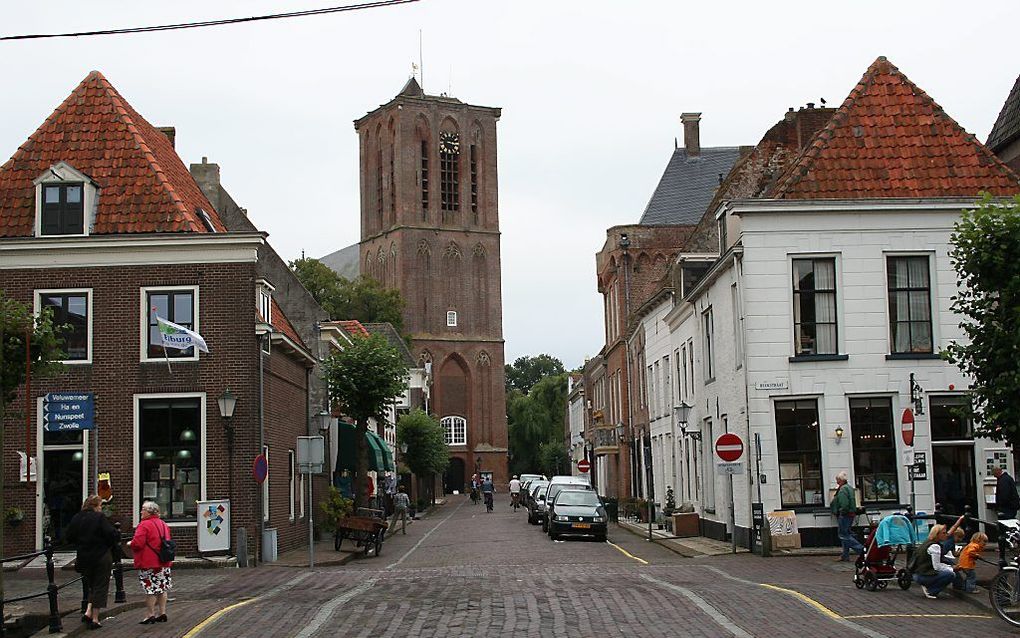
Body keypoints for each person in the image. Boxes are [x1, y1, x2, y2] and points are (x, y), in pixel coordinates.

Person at [65, 495, 119, 630]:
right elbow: (111, 534)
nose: (101, 508)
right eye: (100, 506)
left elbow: (69, 536)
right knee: (100, 585)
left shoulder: (77, 518)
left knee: (91, 585)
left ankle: (88, 611)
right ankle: (95, 618)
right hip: (100, 555)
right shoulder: (99, 517)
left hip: (84, 556)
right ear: (95, 506)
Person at [130, 501, 173, 625]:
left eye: (143, 509)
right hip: (163, 561)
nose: (141, 511)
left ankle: (150, 614)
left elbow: (138, 543)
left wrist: (130, 544)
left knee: (150, 589)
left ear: (149, 512)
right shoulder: (163, 524)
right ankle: (163, 612)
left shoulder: (144, 525)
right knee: (162, 587)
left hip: (149, 562)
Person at [911, 524, 956, 598]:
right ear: (937, 534)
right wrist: (951, 568)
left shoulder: (927, 542)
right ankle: (931, 591)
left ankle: (929, 585)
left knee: (947, 570)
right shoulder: (935, 546)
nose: (946, 535)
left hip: (917, 572)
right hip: (923, 575)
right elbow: (937, 566)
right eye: (943, 533)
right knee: (950, 574)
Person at [830, 471, 864, 562]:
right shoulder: (849, 488)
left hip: (845, 515)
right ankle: (845, 555)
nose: (837, 482)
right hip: (850, 514)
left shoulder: (843, 489)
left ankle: (862, 550)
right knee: (846, 534)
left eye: (837, 480)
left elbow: (844, 503)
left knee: (843, 535)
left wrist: (841, 511)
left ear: (840, 480)